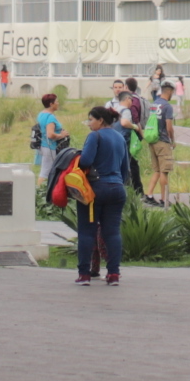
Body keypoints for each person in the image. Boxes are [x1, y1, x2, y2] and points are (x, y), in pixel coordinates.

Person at [73, 104, 130, 286]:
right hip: (117, 189)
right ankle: (113, 274)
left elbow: (86, 161)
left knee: (87, 231)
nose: (89, 124)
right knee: (112, 232)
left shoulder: (95, 136)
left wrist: (76, 158)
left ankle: (84, 275)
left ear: (100, 120)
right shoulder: (120, 138)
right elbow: (125, 170)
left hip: (95, 190)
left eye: (91, 120)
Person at [30, 89, 67, 176]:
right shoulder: (50, 117)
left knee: (46, 170)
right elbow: (50, 134)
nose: (58, 103)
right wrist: (62, 135)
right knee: (45, 172)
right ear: (51, 104)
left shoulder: (41, 114)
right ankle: (40, 188)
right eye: (56, 102)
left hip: (42, 145)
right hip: (50, 146)